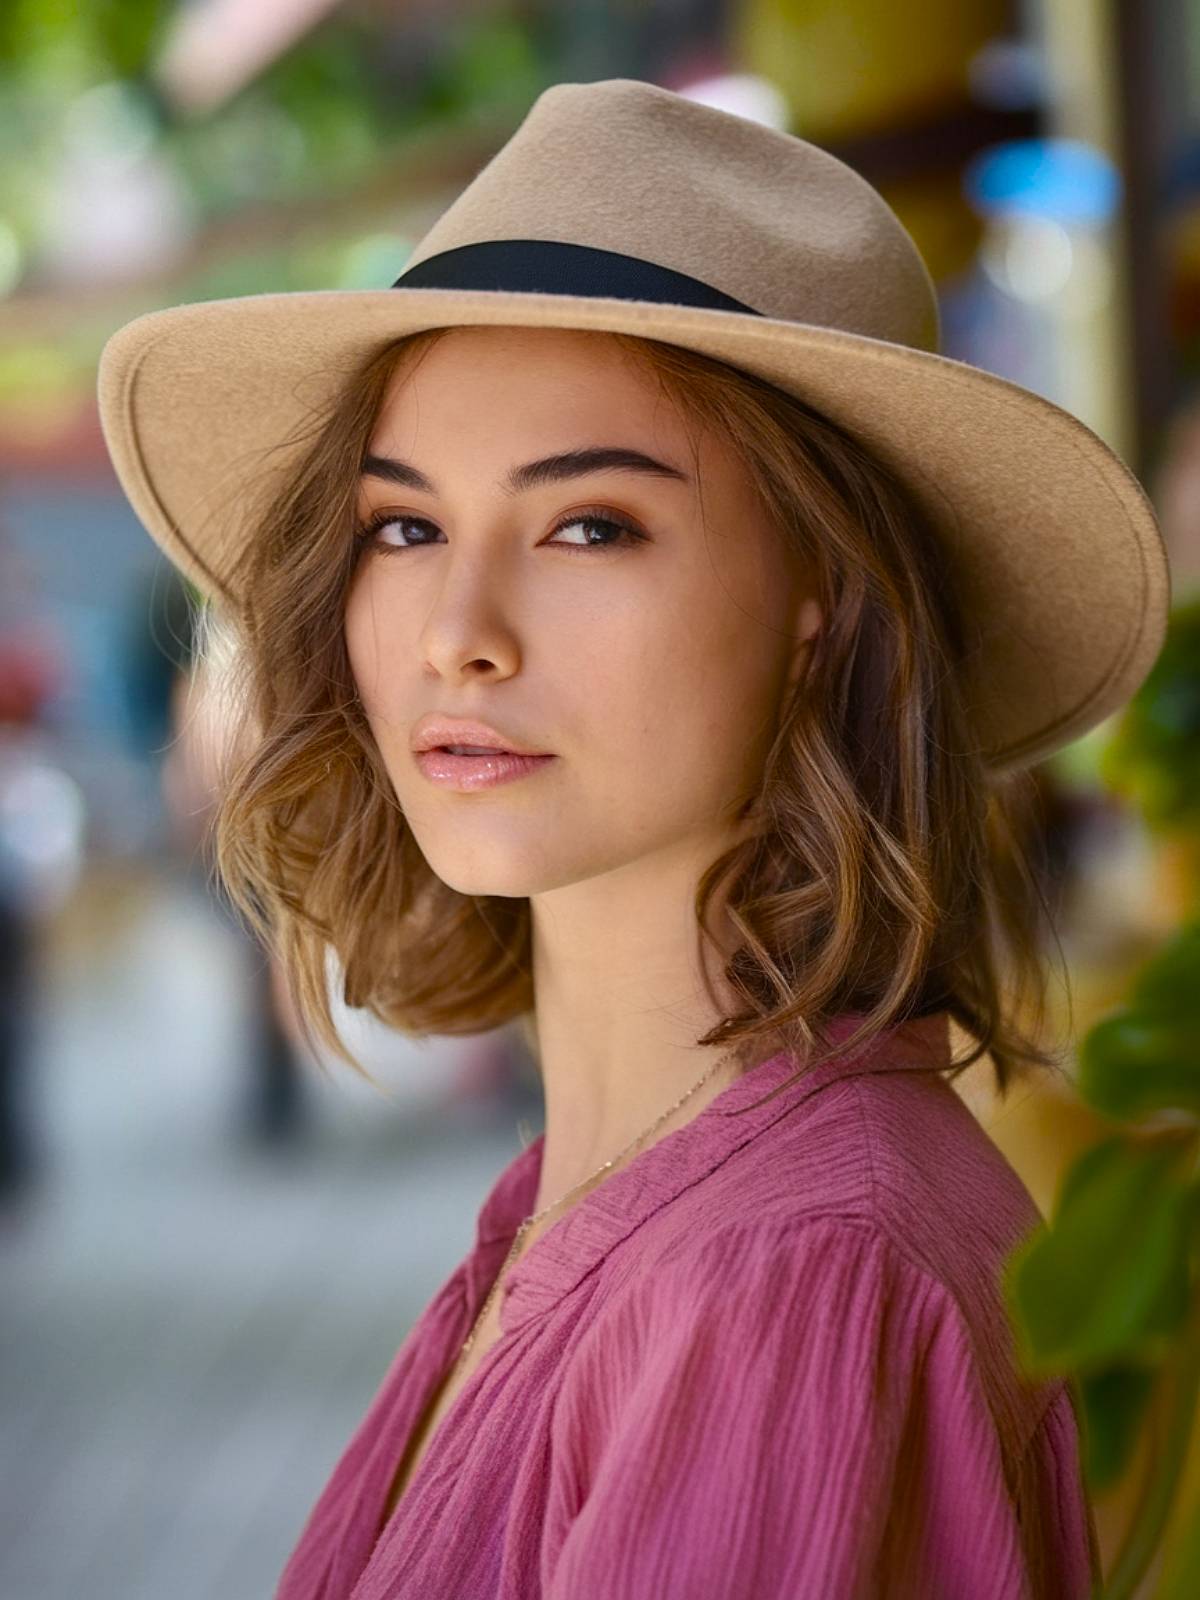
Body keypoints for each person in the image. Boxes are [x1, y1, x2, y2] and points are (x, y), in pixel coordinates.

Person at [95, 78, 1170, 1599]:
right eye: (405, 527)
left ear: (824, 602)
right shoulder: (582, 1208)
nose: (456, 635)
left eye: (589, 523)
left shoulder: (790, 1284)